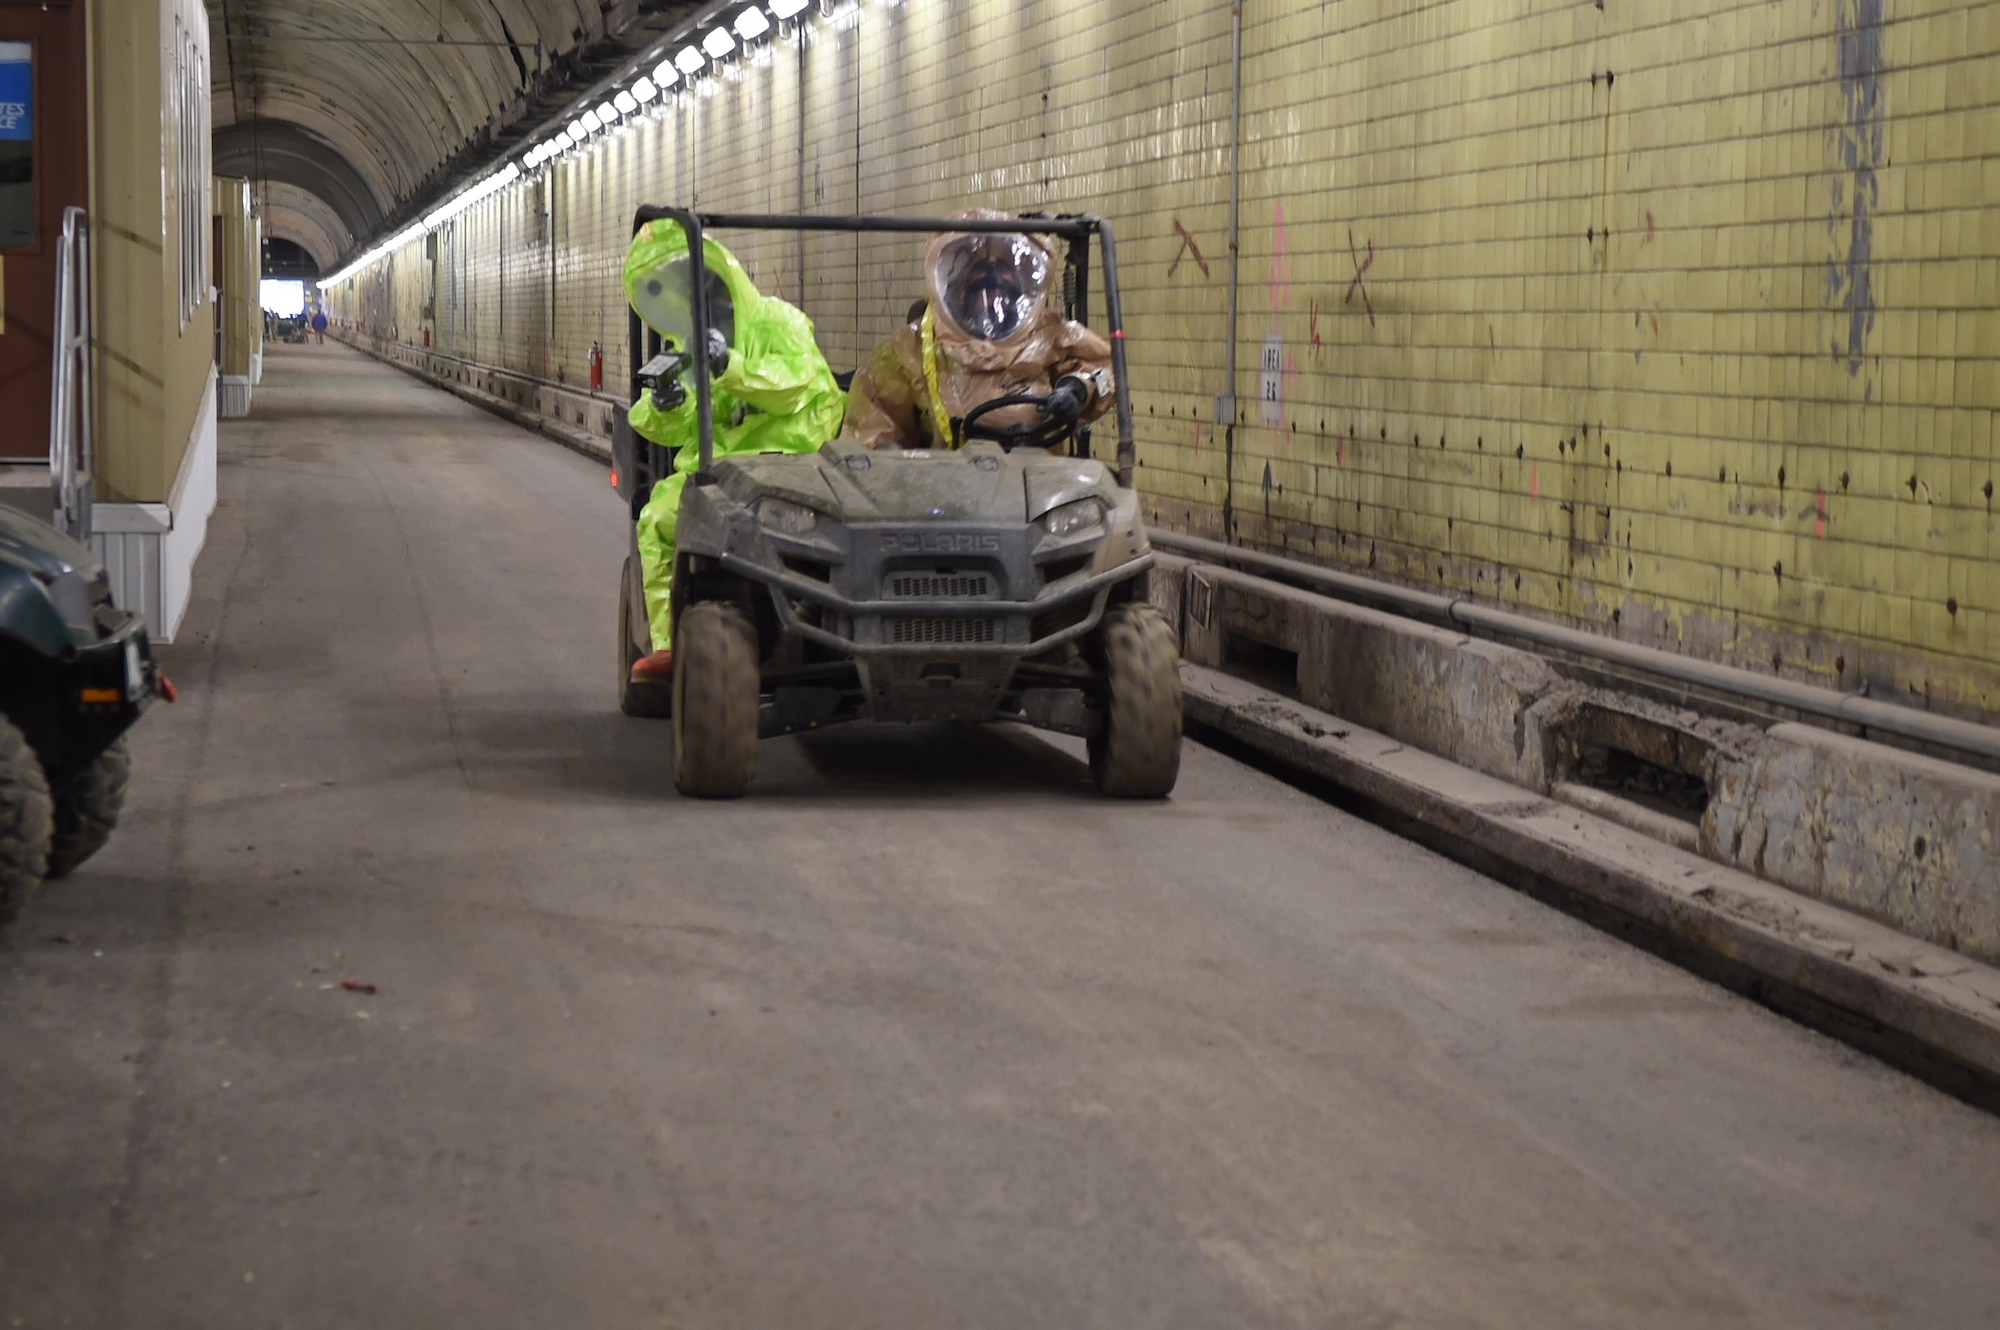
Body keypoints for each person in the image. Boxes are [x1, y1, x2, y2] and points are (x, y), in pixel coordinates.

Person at [623, 219, 844, 683]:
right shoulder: (690, 345)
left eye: (708, 286)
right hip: (724, 473)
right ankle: (670, 645)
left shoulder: (778, 321)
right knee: (660, 518)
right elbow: (672, 424)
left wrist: (730, 366)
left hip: (796, 466)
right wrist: (667, 403)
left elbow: (794, 386)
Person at [841, 210, 1114, 450]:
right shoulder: (912, 348)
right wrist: (887, 460)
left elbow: (1104, 372)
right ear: (959, 288)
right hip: (943, 488)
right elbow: (873, 425)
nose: (992, 299)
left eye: (1002, 282)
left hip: (1041, 487)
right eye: (982, 286)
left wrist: (1077, 388)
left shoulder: (1050, 335)